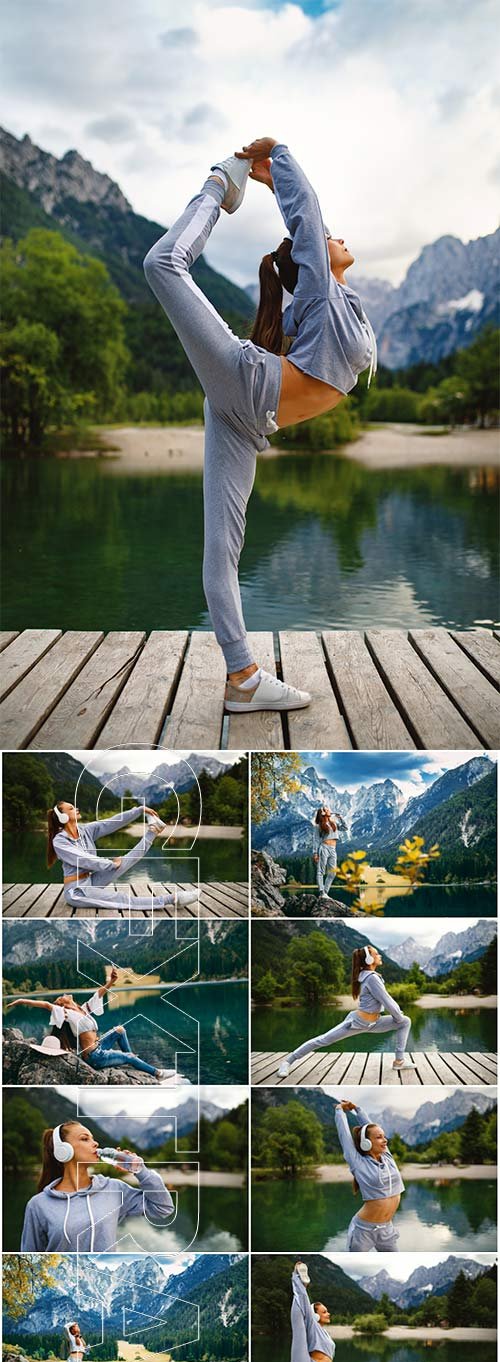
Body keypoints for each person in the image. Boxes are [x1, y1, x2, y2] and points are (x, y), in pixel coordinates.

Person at [143, 137, 376, 714]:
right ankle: (219, 185)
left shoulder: (320, 306)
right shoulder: (321, 300)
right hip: (246, 384)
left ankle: (242, 679)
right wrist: (278, 162)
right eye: (328, 240)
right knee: (161, 264)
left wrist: (279, 168)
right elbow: (308, 213)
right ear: (315, 261)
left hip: (248, 420)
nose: (337, 237)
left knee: (224, 549)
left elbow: (307, 231)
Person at [20, 1121, 174, 1252]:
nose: (95, 1143)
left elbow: (163, 1209)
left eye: (93, 1138)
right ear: (63, 1150)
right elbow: (29, 1254)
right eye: (85, 1139)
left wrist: (140, 1170)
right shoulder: (38, 1205)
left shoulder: (114, 1189)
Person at [5, 968, 167, 1080]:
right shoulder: (66, 1014)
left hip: (99, 1047)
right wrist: (20, 1000)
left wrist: (111, 982)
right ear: (62, 1004)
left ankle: (131, 1061)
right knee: (130, 1057)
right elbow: (46, 1005)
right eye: (61, 996)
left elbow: (98, 994)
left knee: (119, 1030)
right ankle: (156, 1072)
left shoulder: (83, 1009)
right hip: (94, 1057)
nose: (65, 994)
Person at [278, 942, 411, 1077]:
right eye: (376, 954)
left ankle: (399, 1061)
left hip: (374, 1023)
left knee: (406, 1022)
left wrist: (399, 1018)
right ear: (369, 959)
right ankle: (287, 1062)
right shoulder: (372, 978)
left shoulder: (371, 976)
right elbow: (387, 1001)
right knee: (323, 1040)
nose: (380, 955)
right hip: (356, 1023)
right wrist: (398, 1017)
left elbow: (387, 1002)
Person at [47, 799, 198, 912]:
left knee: (128, 859)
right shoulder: (60, 841)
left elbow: (112, 822)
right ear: (63, 817)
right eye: (71, 808)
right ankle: (172, 899)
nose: (76, 808)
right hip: (76, 891)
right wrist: (111, 864)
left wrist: (139, 810)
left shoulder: (85, 830)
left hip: (91, 880)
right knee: (121, 898)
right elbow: (84, 860)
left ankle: (152, 831)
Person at [335, 1099, 405, 1251]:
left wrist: (357, 1109)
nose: (385, 1140)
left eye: (384, 1136)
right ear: (366, 1143)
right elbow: (344, 1137)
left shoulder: (387, 1157)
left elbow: (369, 1126)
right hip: (363, 1231)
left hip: (387, 1229)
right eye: (379, 1137)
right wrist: (340, 1111)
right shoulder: (358, 1162)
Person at [290, 1260, 361, 1362]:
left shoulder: (324, 1333)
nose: (328, 1314)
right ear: (315, 1315)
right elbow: (307, 1313)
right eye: (324, 1312)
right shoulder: (313, 1326)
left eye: (327, 1311)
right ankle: (298, 1281)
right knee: (298, 1328)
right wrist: (303, 1285)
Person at [313, 804, 345, 897]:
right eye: (327, 810)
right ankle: (321, 892)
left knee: (333, 873)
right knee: (321, 871)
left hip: (333, 849)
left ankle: (325, 892)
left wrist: (341, 818)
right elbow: (316, 840)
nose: (329, 810)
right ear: (323, 813)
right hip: (324, 847)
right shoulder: (318, 826)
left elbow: (345, 828)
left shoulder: (333, 823)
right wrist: (315, 853)